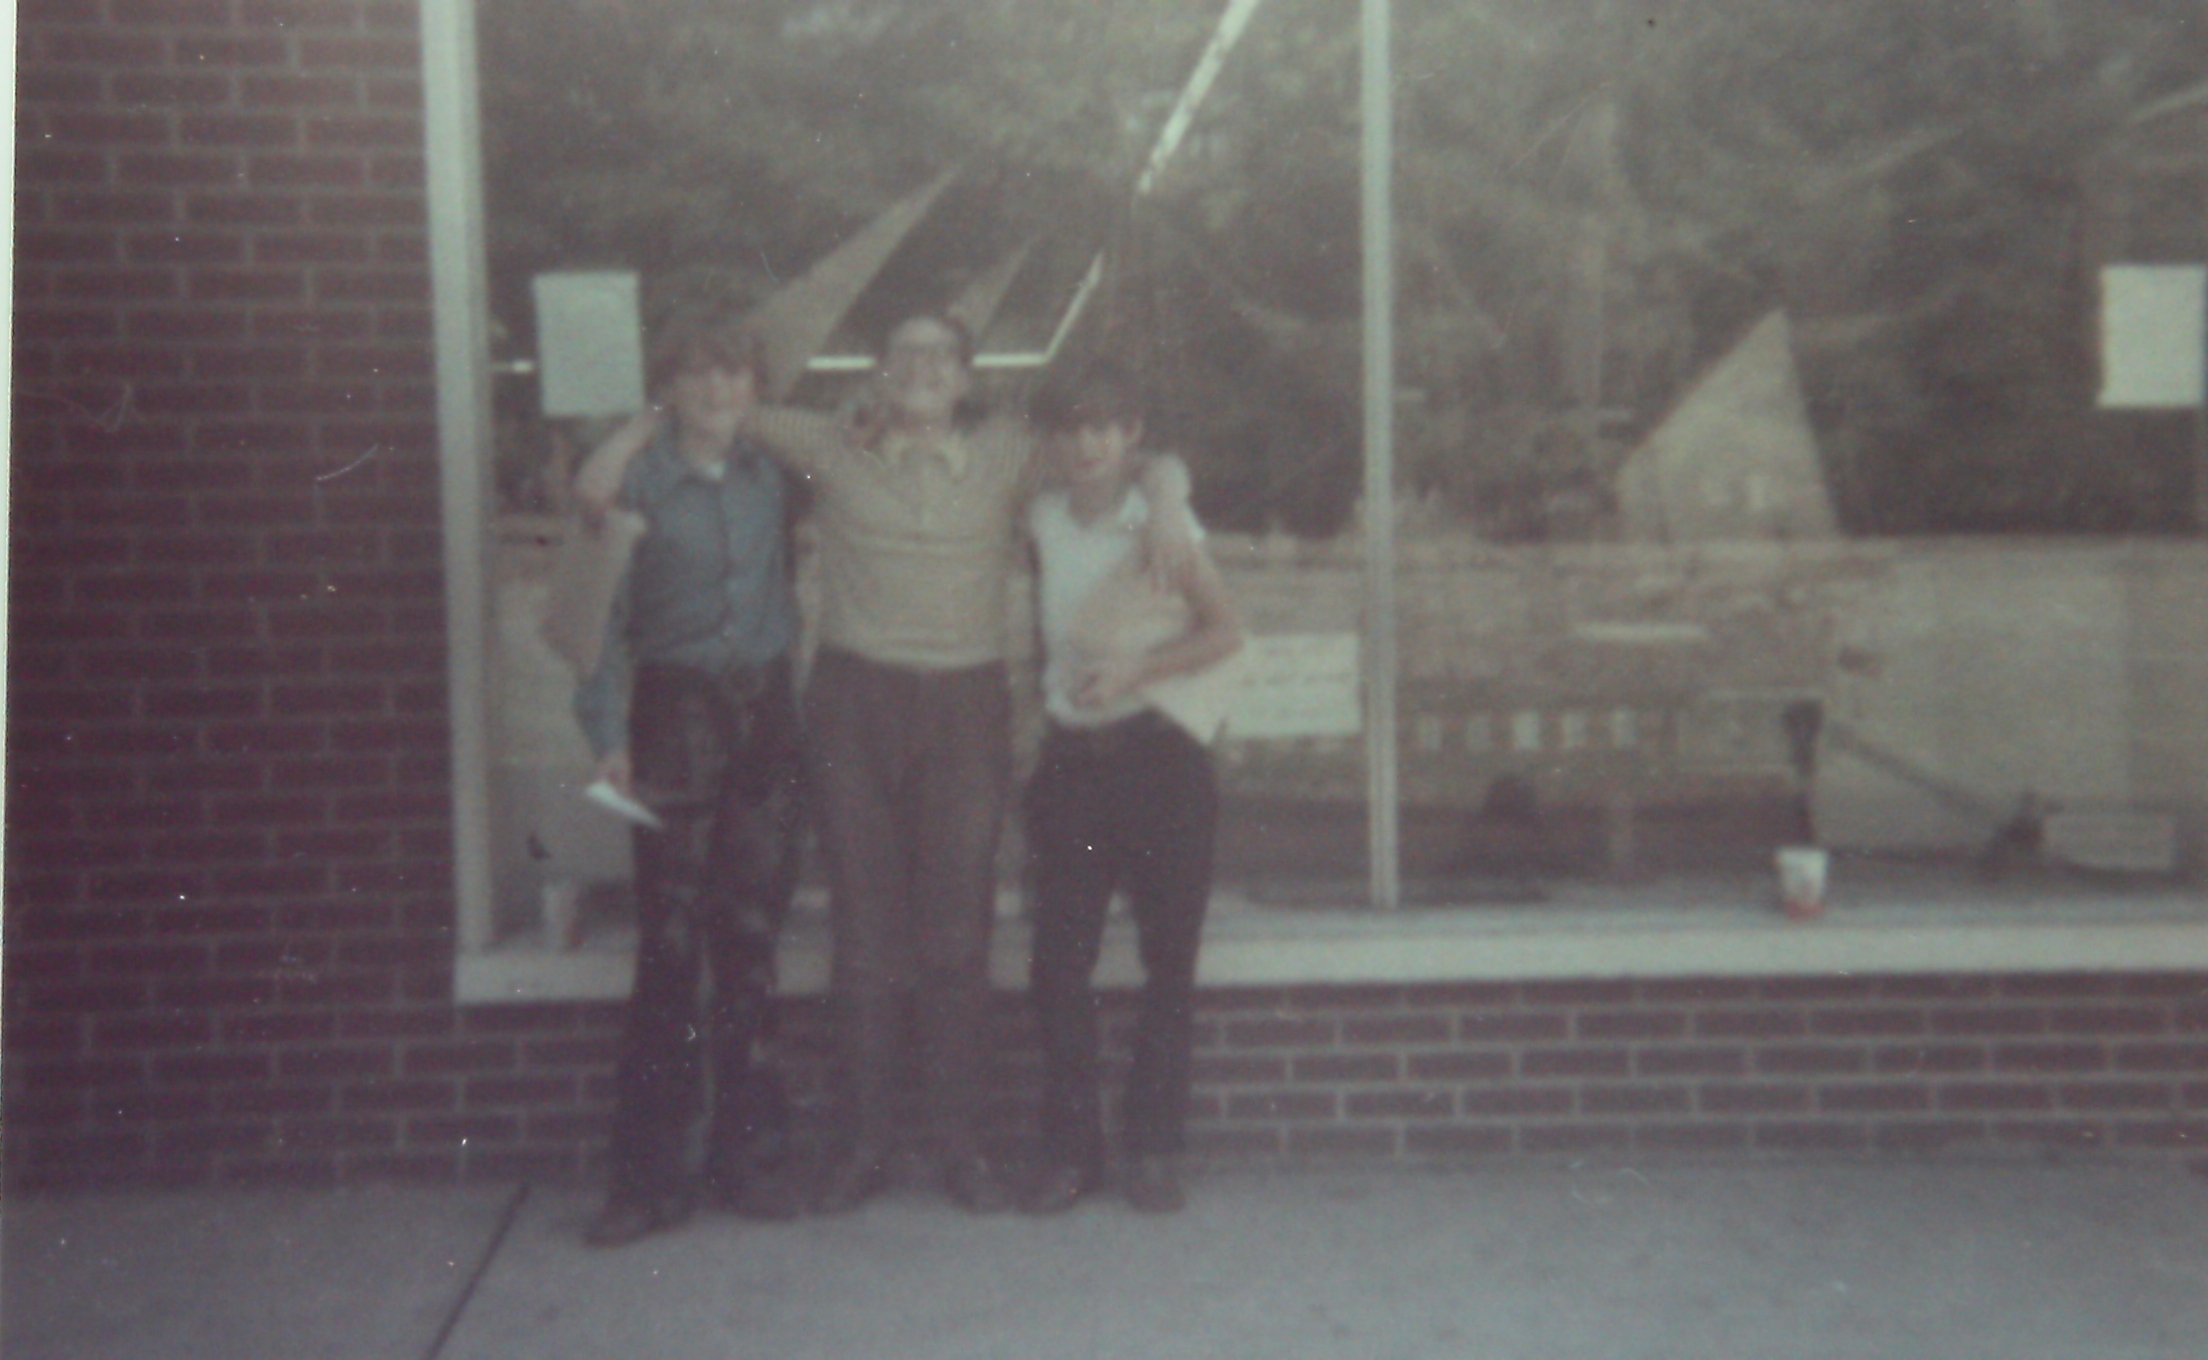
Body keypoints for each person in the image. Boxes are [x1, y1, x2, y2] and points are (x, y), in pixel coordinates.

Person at [576, 310, 1197, 1215]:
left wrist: (1170, 496)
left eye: (941, 356)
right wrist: (629, 431)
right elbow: (711, 412)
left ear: (966, 377)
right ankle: (860, 1145)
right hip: (853, 704)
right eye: (903, 352)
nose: (922, 368)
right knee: (863, 939)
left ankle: (957, 1144)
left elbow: (1125, 456)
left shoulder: (1008, 453)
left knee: (956, 937)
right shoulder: (827, 444)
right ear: (875, 370)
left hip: (965, 707)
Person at [569, 314, 808, 1248]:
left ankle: (752, 1161)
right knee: (669, 947)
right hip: (674, 715)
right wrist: (606, 735)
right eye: (698, 372)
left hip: (764, 716)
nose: (718, 390)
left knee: (750, 941)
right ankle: (649, 1180)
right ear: (668, 386)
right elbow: (598, 621)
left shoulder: (772, 478)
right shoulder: (632, 485)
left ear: (756, 386)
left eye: (734, 372)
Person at [1018, 366, 1242, 1215]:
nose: (1090, 444)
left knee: (1168, 962)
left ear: (1133, 434)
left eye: (1107, 427)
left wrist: (1138, 672)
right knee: (1057, 965)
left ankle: (1154, 1148)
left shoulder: (1162, 521)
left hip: (1159, 761)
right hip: (1073, 767)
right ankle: (1071, 1153)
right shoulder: (1041, 518)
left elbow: (1225, 631)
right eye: (1074, 428)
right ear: (1053, 439)